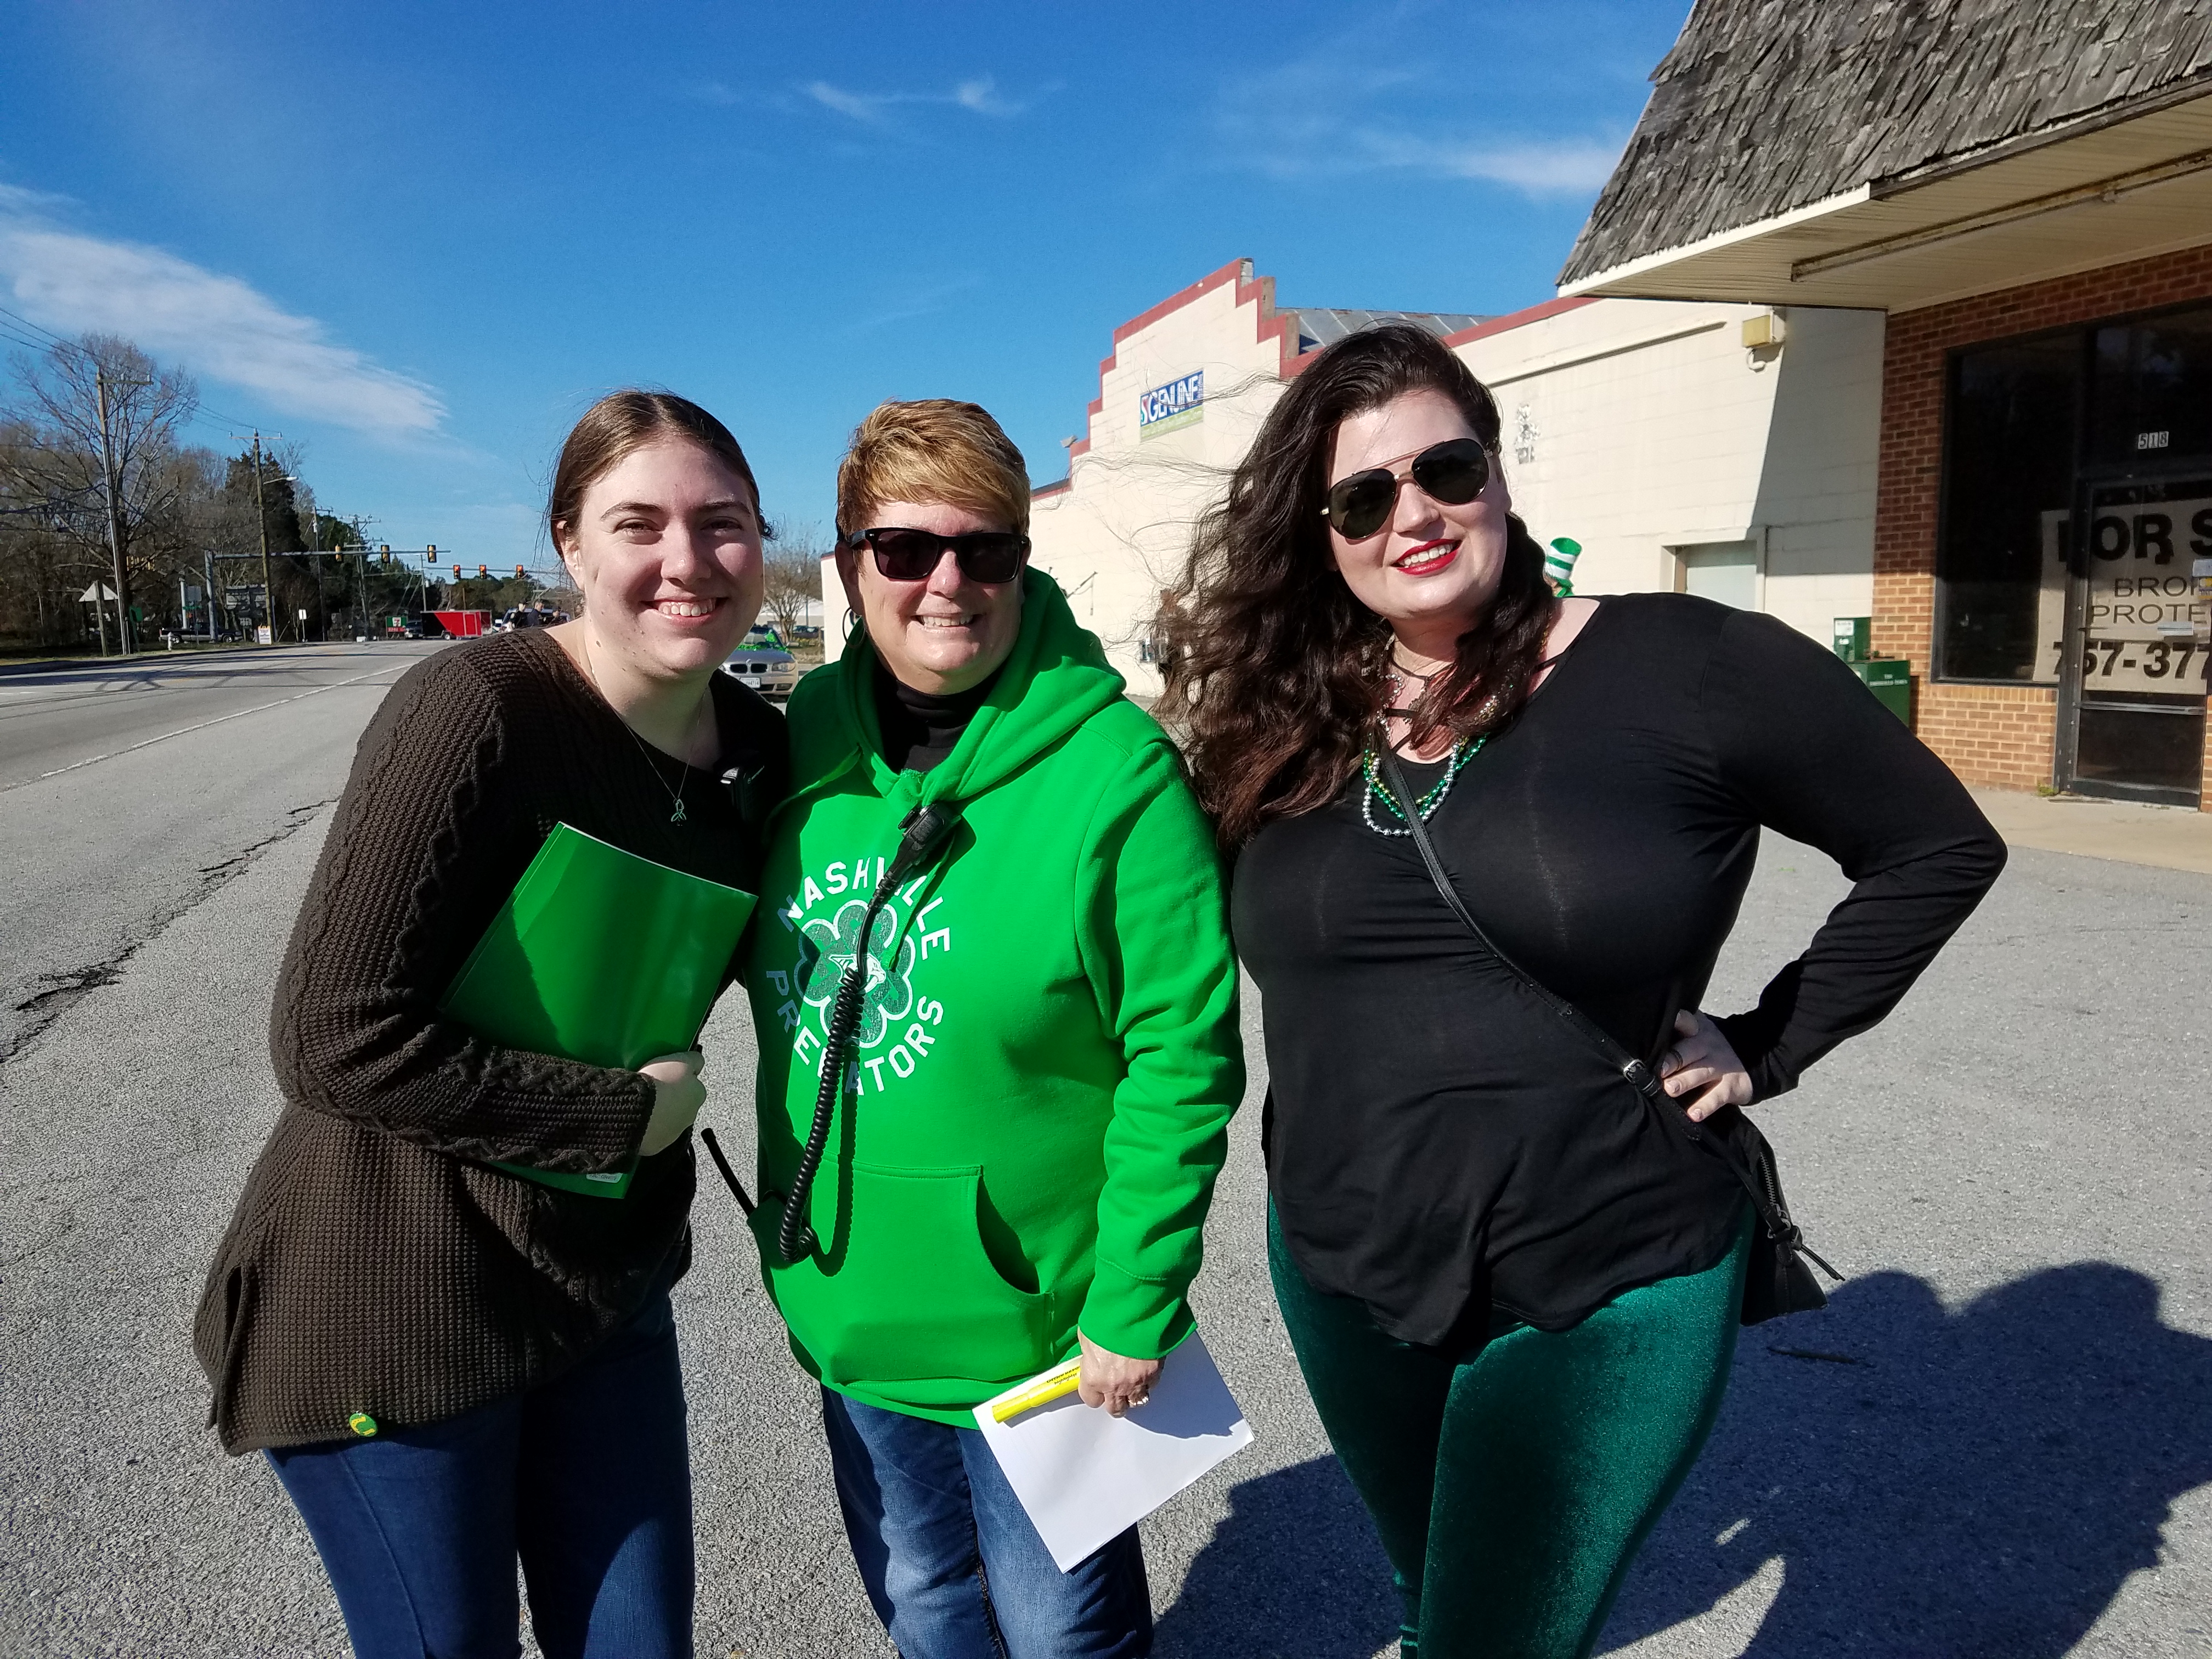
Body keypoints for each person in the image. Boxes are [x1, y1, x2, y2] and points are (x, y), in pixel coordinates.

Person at [1157, 324, 2007, 1659]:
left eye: (1444, 469)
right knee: (1437, 1603)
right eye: (1362, 499)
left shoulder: (1693, 665)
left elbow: (1937, 847)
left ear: (1498, 471)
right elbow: (1151, 962)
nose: (1413, 515)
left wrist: (1770, 1041)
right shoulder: (1279, 721)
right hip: (1342, 1262)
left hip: (1611, 1263)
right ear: (1320, 537)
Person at [192, 391, 788, 1659]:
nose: (687, 561)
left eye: (722, 523)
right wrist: (624, 1116)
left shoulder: (763, 756)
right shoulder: (480, 710)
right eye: (638, 524)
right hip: (399, 1292)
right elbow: (332, 1032)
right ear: (570, 543)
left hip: (599, 1290)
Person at [738, 399, 1242, 1658]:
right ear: (851, 563)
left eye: (986, 549)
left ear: (1023, 558)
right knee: (922, 1597)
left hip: (1037, 1333)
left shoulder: (1114, 772)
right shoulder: (800, 748)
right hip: (850, 1300)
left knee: (1062, 1631)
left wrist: (1135, 1300)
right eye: (905, 548)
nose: (947, 581)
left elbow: (1182, 1056)